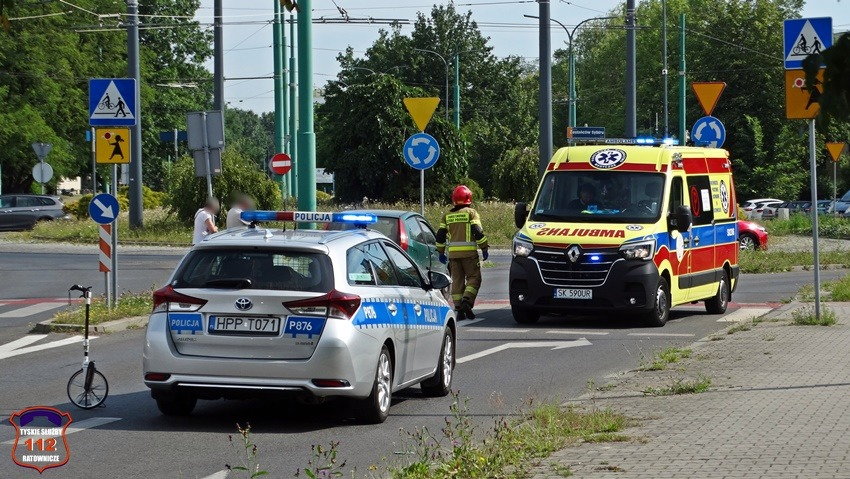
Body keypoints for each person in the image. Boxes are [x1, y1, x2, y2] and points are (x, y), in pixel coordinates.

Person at [435, 185, 489, 320]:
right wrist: (484, 247)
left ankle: (459, 309)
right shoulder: (471, 213)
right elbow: (477, 231)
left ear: (454, 199)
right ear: (468, 199)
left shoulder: (447, 216)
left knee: (457, 282)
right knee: (474, 279)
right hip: (469, 255)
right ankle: (467, 301)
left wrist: (441, 252)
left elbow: (440, 235)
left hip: (453, 256)